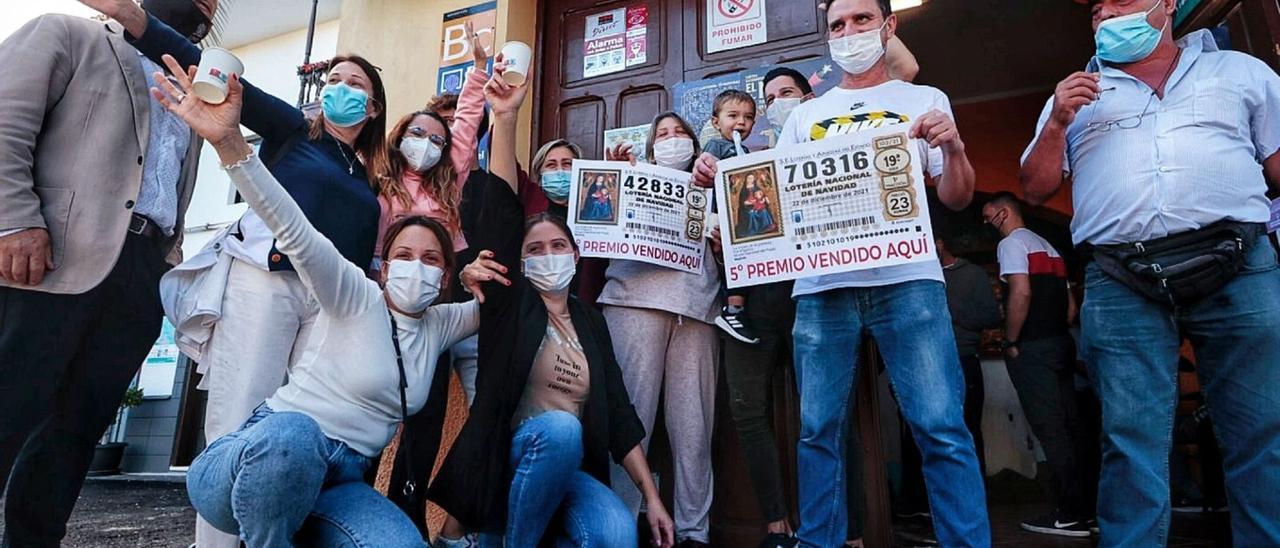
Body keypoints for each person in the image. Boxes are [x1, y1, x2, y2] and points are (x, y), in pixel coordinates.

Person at [76, 1, 394, 544]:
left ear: (372, 106)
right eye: (333, 78)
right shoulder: (296, 131)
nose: (339, 86)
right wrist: (135, 20)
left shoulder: (369, 181)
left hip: (328, 312)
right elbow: (208, 69)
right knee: (240, 419)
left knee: (303, 431)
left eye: (354, 81)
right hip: (266, 281)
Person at [694, 0, 988, 545]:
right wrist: (721, 178)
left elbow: (958, 194)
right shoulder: (806, 115)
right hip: (822, 289)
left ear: (888, 25)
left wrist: (953, 145)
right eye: (837, 25)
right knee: (818, 431)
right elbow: (775, 205)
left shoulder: (924, 100)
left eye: (861, 20)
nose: (848, 32)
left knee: (942, 428)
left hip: (909, 282)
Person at [152, 58, 479, 547]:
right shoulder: (355, 288)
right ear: (384, 264)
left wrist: (483, 279)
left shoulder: (438, 319)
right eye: (404, 255)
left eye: (433, 259)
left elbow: (498, 306)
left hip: (337, 469)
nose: (419, 267)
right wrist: (229, 144)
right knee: (284, 434)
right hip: (272, 303)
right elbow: (295, 229)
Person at [1019, 0, 1280, 544]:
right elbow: (1036, 187)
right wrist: (1058, 121)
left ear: (1167, 4)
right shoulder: (1073, 93)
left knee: (1261, 431)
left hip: (1240, 266)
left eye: (1123, 0)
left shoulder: (1240, 71)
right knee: (1129, 439)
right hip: (1122, 278)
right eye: (1097, 7)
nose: (1107, 12)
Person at [429, 64, 675, 548]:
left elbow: (621, 416)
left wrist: (653, 498)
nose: (547, 256)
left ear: (576, 254)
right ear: (518, 261)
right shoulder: (510, 299)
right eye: (534, 249)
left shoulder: (589, 322)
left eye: (557, 247)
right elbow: (500, 208)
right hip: (508, 456)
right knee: (561, 429)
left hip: (566, 470)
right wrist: (505, 118)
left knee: (615, 532)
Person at [0, 3, 205, 544]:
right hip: (50, 258)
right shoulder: (66, 34)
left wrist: (169, 261)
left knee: (72, 436)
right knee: (8, 409)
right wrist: (14, 219)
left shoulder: (193, 86)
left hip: (140, 278)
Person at [604, 112, 721, 547]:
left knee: (695, 429)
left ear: (695, 143)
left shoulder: (714, 183)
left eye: (680, 133)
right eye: (663, 134)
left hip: (697, 309)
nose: (672, 139)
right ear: (651, 148)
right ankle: (617, 528)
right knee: (631, 423)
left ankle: (695, 534)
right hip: (633, 302)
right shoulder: (631, 177)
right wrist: (615, 173)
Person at [983, 193, 1094, 537]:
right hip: (1061, 343)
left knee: (1050, 430)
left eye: (989, 218)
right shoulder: (1048, 246)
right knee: (1072, 427)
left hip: (1032, 348)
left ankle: (1069, 513)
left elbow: (1021, 292)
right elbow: (1071, 308)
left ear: (1004, 213)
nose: (988, 225)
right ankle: (1087, 508)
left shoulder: (1012, 245)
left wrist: (1012, 340)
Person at [377, 22, 489, 273]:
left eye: (437, 140)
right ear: (400, 136)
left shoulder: (449, 179)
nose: (426, 142)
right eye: (417, 133)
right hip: (385, 277)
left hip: (436, 279)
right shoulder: (379, 177)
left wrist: (479, 67)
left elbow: (468, 119)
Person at [701, 89, 763, 344]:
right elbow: (707, 165)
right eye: (733, 116)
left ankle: (737, 309)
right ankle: (732, 309)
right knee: (731, 261)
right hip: (719, 216)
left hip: (741, 217)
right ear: (716, 122)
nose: (741, 123)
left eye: (748, 118)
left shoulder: (745, 150)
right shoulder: (716, 146)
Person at [937, 235, 1001, 474]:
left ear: (940, 243)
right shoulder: (922, 278)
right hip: (929, 364)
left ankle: (978, 495)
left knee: (969, 428)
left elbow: (991, 317)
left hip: (963, 359)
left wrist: (950, 307)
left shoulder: (972, 274)